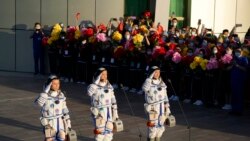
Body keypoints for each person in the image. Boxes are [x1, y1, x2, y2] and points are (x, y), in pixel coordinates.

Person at [35, 75, 72, 141]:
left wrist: (68, 121)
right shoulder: (44, 96)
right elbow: (37, 104)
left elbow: (64, 109)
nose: (57, 85)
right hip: (49, 122)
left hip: (60, 121)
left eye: (58, 83)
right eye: (54, 84)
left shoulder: (61, 95)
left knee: (62, 137)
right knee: (50, 139)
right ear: (49, 84)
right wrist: (45, 93)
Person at [87, 67, 119, 141]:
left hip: (109, 111)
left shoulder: (109, 86)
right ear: (98, 75)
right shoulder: (93, 86)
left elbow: (114, 101)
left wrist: (115, 114)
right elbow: (89, 92)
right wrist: (96, 81)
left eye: (106, 74)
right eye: (103, 74)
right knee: (100, 134)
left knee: (109, 132)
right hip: (99, 112)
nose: (105, 76)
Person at [142, 66, 171, 141]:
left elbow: (165, 95)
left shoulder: (162, 82)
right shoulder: (148, 82)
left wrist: (167, 107)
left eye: (158, 72)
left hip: (161, 106)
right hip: (152, 107)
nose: (157, 74)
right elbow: (144, 88)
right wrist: (149, 78)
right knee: (152, 127)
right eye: (155, 72)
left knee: (161, 126)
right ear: (152, 73)